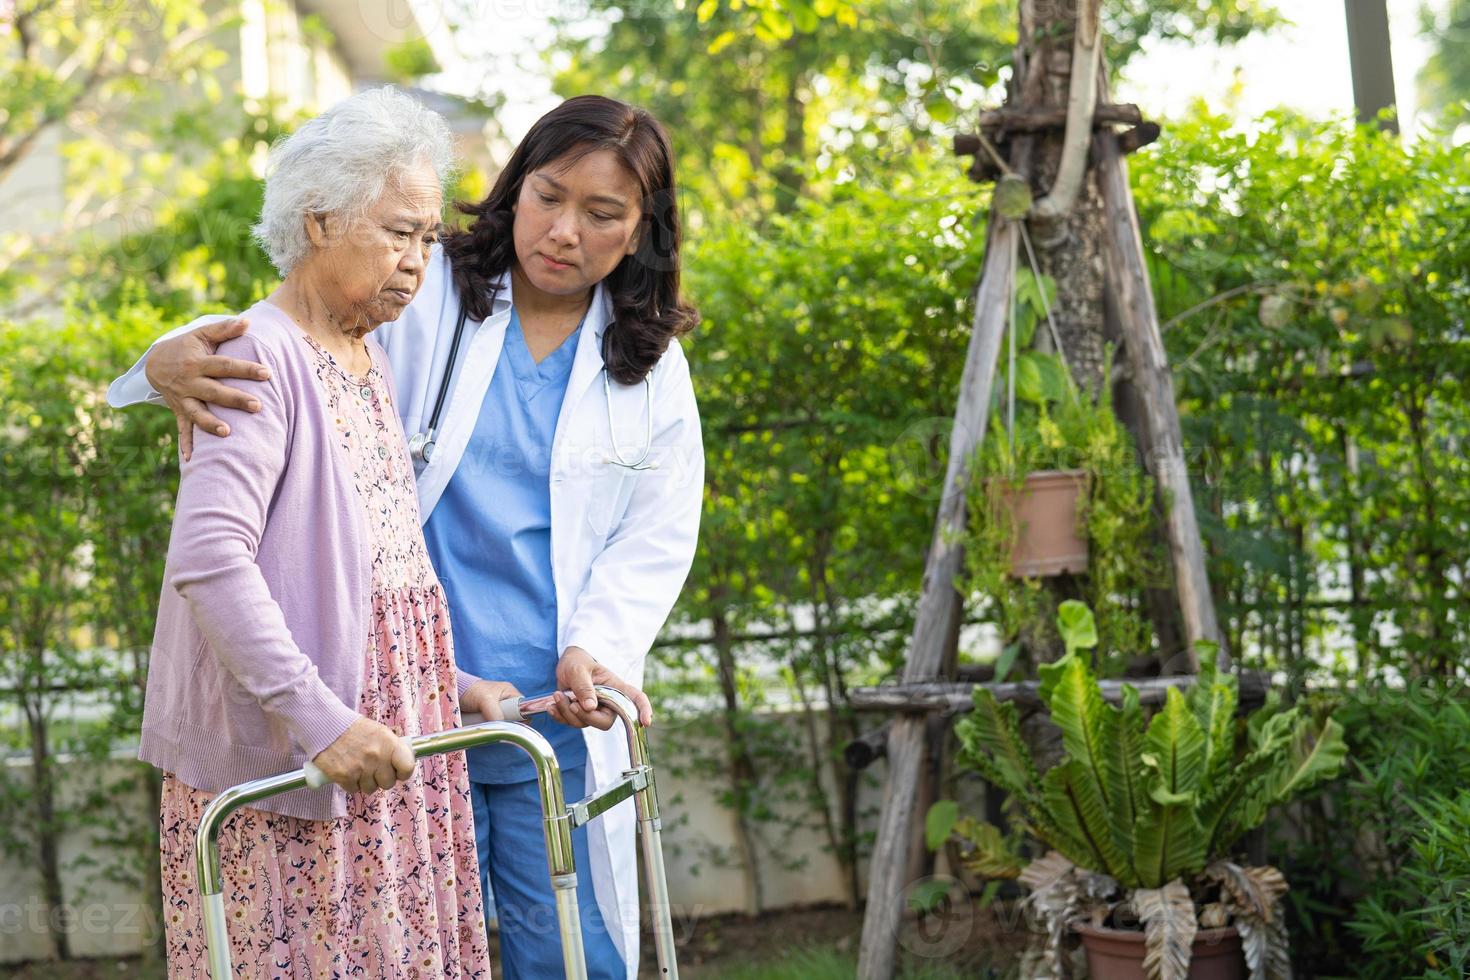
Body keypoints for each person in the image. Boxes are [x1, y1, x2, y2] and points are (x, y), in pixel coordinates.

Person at [110, 94, 704, 980]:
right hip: (374, 699)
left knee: (554, 945)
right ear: (514, 191)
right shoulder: (422, 289)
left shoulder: (646, 360)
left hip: (528, 697)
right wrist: (162, 360)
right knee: (380, 939)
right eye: (548, 197)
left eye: (603, 213)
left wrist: (597, 646)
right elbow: (269, 329)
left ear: (641, 232)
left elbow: (653, 535)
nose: (565, 231)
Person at [136, 87, 528, 977]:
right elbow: (211, 560)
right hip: (306, 763)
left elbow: (363, 572)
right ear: (317, 222)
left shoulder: (367, 356)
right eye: (398, 232)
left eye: (429, 238)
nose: (419, 261)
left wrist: (443, 680)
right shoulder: (253, 358)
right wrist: (322, 723)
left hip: (387, 746)